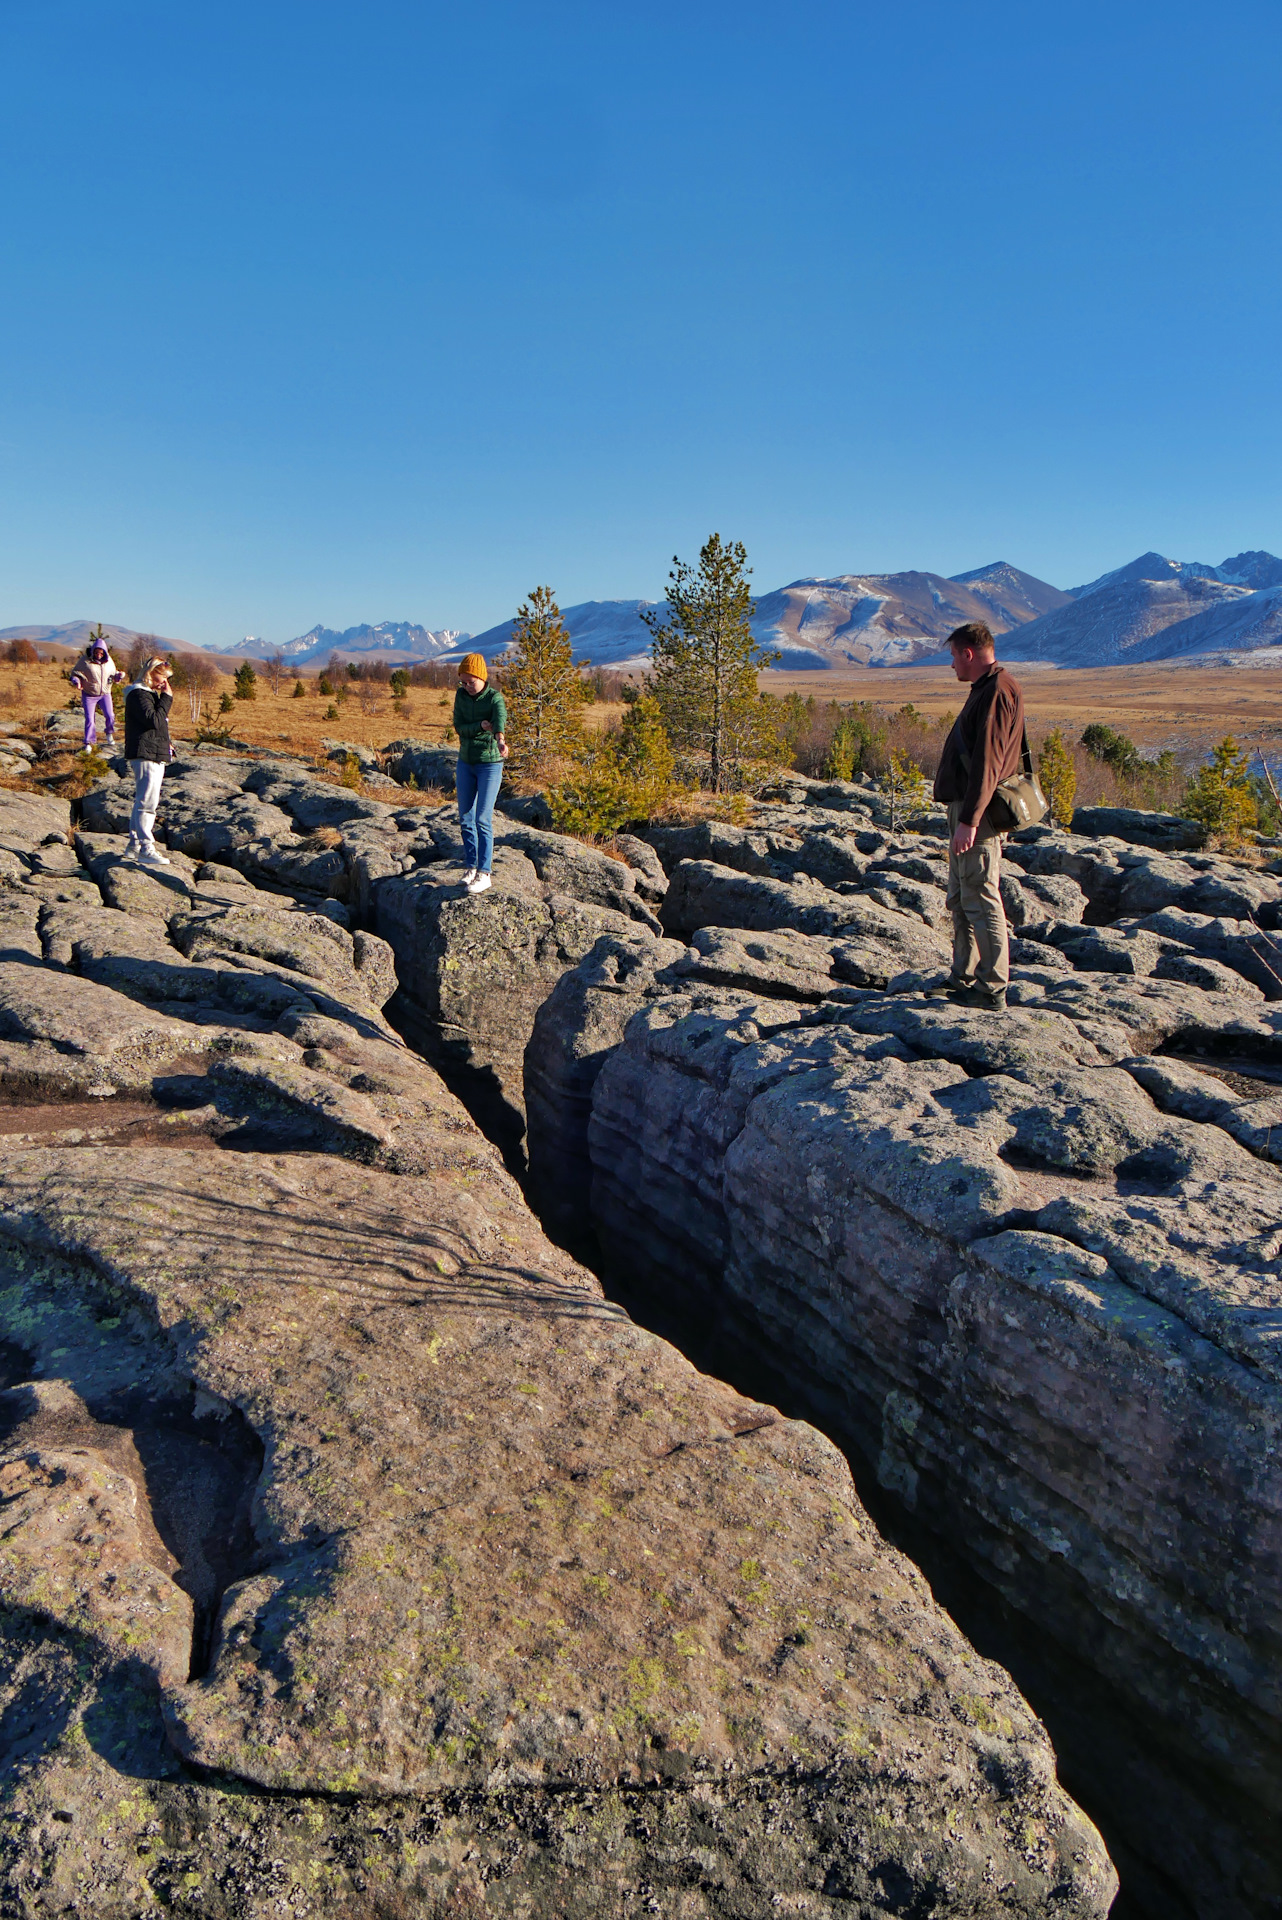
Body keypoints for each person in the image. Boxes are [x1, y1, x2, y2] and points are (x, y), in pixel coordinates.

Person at [930, 621, 1025, 1012]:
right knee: (962, 895)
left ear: (969, 653)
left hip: (978, 814)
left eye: (954, 656)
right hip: (970, 809)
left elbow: (988, 762)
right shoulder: (990, 688)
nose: (952, 665)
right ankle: (963, 976)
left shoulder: (997, 691)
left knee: (981, 895)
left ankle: (990, 989)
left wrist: (969, 820)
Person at [452, 653, 508, 895]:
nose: (466, 686)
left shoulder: (495, 698)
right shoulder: (461, 696)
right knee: (465, 818)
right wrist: (478, 727)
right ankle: (471, 867)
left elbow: (499, 721)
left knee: (482, 819)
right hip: (466, 762)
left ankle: (485, 873)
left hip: (489, 764)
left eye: (470, 682)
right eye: (463, 682)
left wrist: (500, 740)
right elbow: (459, 727)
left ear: (482, 678)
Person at [123, 655, 175, 867]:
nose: (163, 682)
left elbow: (157, 724)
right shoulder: (138, 694)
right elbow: (154, 720)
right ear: (149, 673)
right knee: (147, 803)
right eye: (161, 677)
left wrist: (167, 745)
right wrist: (167, 698)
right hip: (146, 753)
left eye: (166, 678)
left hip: (153, 751)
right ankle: (146, 847)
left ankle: (134, 845)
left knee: (143, 802)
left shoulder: (147, 695)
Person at [68, 637, 123, 749]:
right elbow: (75, 673)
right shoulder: (85, 661)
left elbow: (113, 674)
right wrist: (77, 681)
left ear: (105, 653)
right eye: (97, 652)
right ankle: (89, 742)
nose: (99, 654)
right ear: (93, 651)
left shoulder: (109, 661)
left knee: (110, 715)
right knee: (90, 719)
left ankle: (109, 733)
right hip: (89, 694)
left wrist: (119, 676)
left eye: (101, 652)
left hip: (105, 693)